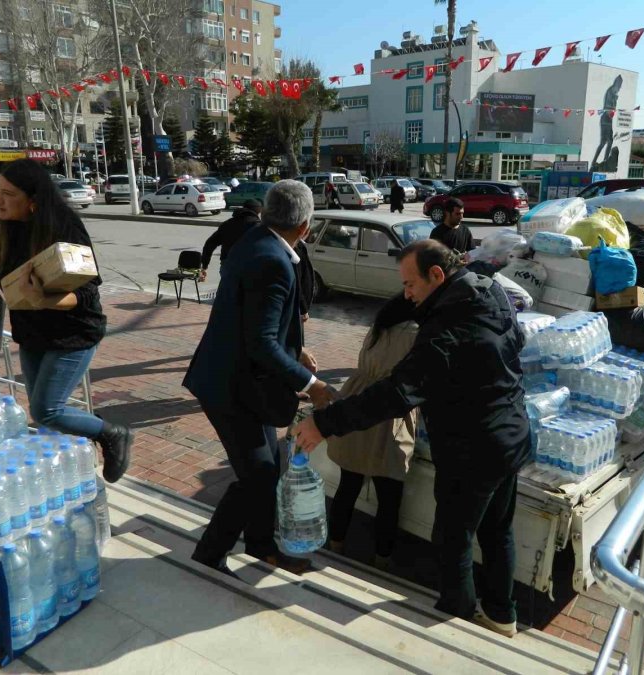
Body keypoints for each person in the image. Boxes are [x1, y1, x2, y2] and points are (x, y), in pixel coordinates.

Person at [294, 239, 528, 637]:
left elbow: (399, 390)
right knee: (496, 531)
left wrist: (324, 423)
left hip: (471, 446)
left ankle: (457, 622)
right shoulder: (488, 291)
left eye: (410, 284)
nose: (406, 294)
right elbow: (516, 342)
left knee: (453, 538)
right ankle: (502, 617)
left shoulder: (447, 326)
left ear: (436, 275)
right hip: (511, 432)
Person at [183, 180, 338, 576]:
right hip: (231, 386)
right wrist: (312, 384)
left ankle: (259, 545)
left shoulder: (255, 239)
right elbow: (262, 344)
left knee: (269, 468)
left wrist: (296, 350)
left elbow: (251, 319)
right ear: (304, 226)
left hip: (237, 377)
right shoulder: (273, 261)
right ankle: (209, 556)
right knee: (258, 475)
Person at [0, 159, 133, 483]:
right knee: (47, 416)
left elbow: (88, 294)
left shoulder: (64, 229)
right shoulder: (11, 227)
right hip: (33, 333)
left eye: (8, 194)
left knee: (47, 409)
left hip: (73, 333)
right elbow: (14, 274)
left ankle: (112, 433)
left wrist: (45, 299)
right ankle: (67, 475)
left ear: (33, 200)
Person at [327, 294, 418, 569]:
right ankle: (382, 560)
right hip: (389, 408)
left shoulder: (379, 326)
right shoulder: (417, 333)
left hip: (355, 399)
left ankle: (335, 546)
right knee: (389, 496)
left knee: (348, 484)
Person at [199, 199, 263, 278]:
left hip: (228, 265)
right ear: (258, 211)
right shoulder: (259, 227)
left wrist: (205, 266)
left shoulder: (227, 224)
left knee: (228, 289)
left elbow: (210, 244)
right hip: (251, 265)